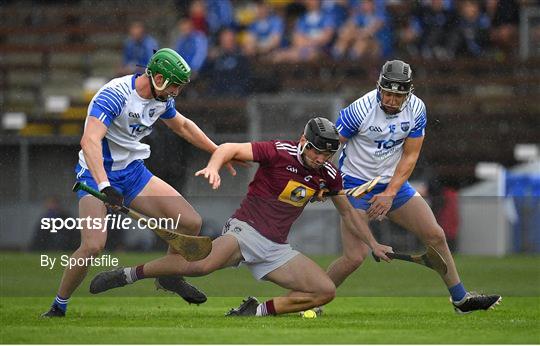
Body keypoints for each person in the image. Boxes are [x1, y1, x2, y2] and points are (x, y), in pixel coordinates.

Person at [89, 117, 393, 317]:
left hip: (276, 249)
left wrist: (373, 244)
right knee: (201, 264)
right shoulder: (279, 151)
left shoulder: (328, 175)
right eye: (315, 151)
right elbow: (230, 148)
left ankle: (255, 311)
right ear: (304, 140)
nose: (319, 159)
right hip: (245, 230)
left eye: (326, 155)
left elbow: (349, 214)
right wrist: (214, 165)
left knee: (324, 291)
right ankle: (128, 275)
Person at [41, 48, 243, 317]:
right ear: (157, 77)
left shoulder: (161, 98)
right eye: (173, 86)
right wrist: (104, 187)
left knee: (190, 222)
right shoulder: (114, 95)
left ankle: (169, 276)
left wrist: (217, 151)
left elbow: (183, 126)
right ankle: (59, 305)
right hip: (95, 173)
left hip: (133, 173)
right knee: (93, 245)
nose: (176, 92)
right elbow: (89, 141)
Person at [329, 59, 502, 314]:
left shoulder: (417, 109)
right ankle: (311, 297)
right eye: (387, 93)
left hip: (392, 184)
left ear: (408, 93)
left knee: (436, 235)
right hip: (354, 185)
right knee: (354, 257)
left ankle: (460, 300)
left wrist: (389, 193)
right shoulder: (360, 109)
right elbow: (329, 144)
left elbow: (410, 156)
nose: (390, 100)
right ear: (379, 88)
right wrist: (326, 182)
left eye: (397, 96)